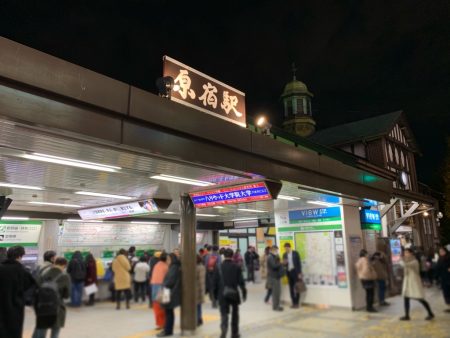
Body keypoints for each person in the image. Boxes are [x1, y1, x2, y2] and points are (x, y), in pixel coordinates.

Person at [0, 246, 35, 338]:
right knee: (14, 330)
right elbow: (32, 288)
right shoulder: (23, 271)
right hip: (16, 308)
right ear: (20, 256)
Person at [32, 257, 71, 338]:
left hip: (42, 306)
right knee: (55, 333)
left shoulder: (44, 273)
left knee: (41, 332)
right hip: (57, 308)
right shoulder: (65, 276)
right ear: (64, 265)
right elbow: (67, 295)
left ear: (54, 263)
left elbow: (36, 287)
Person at [215, 248, 247, 338]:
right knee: (235, 314)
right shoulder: (236, 267)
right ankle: (234, 333)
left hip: (222, 294)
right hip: (234, 293)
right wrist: (244, 293)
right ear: (232, 255)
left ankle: (224, 331)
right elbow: (241, 282)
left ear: (224, 256)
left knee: (224, 313)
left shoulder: (219, 267)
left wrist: (215, 295)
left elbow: (215, 282)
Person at [399, 248, 434, 320]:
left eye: (407, 253)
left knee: (420, 299)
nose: (405, 254)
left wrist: (400, 260)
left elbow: (405, 265)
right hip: (408, 283)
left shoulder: (414, 261)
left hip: (414, 283)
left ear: (411, 253)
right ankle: (407, 315)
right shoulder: (407, 261)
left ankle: (430, 313)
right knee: (406, 298)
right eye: (405, 253)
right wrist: (402, 260)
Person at [158, 253, 181, 337]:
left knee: (168, 312)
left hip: (169, 292)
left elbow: (170, 281)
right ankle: (167, 330)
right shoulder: (174, 267)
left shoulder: (173, 268)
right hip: (170, 291)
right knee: (168, 311)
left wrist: (163, 285)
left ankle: (168, 331)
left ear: (172, 259)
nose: (167, 261)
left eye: (168, 259)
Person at [151, 252, 169, 330]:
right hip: (163, 287)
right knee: (163, 306)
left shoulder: (156, 265)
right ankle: (164, 323)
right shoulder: (166, 267)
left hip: (154, 286)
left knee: (156, 306)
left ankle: (160, 324)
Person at [282, 242, 302, 309]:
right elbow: (284, 264)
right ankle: (293, 303)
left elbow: (299, 263)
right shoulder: (284, 254)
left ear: (290, 247)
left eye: (287, 248)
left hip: (295, 272)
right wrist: (284, 263)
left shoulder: (295, 253)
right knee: (291, 289)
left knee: (297, 288)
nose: (286, 250)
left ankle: (297, 303)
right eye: (285, 248)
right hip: (289, 273)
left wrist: (299, 273)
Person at [267, 245, 284, 311]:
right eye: (276, 250)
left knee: (278, 293)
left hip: (277, 276)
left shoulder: (275, 256)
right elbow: (274, 266)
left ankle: (277, 306)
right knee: (275, 293)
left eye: (277, 250)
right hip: (273, 277)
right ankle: (275, 307)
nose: (277, 251)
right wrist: (281, 263)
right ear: (272, 250)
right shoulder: (270, 257)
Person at [436, 246, 450, 312]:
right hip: (443, 278)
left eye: (442, 251)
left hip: (448, 277)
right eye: (440, 252)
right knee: (446, 293)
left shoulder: (448, 258)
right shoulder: (440, 259)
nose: (441, 253)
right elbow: (438, 268)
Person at [196, 254, 206, 327]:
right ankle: (199, 319)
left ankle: (198, 319)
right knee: (198, 305)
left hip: (198, 289)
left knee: (197, 305)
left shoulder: (200, 267)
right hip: (196, 289)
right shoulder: (199, 267)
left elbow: (202, 281)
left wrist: (202, 292)